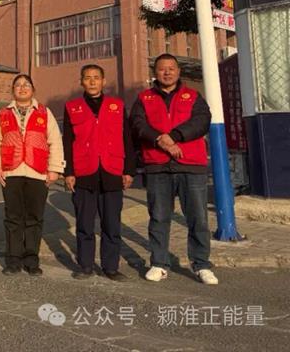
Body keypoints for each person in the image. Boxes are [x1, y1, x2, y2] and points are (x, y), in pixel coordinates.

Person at [131, 53, 218, 285]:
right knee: (159, 217)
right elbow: (138, 125)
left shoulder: (193, 96)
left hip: (191, 165)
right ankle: (159, 263)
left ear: (178, 71)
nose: (167, 72)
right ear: (155, 73)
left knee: (198, 218)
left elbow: (202, 121)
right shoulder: (144, 98)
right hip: (158, 166)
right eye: (162, 69)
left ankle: (201, 264)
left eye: (171, 68)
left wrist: (175, 136)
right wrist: (161, 140)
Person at [63, 65, 136, 281]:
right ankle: (85, 265)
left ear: (103, 81)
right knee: (85, 224)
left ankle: (110, 267)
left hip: (112, 169)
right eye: (88, 78)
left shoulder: (117, 106)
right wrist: (68, 172)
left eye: (96, 77)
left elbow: (127, 138)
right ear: (81, 82)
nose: (92, 81)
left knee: (111, 224)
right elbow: (67, 141)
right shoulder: (72, 107)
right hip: (84, 171)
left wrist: (129, 170)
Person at [0, 74, 64, 277]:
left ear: (33, 89)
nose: (22, 88)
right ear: (13, 90)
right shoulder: (3, 114)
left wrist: (54, 169)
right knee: (13, 218)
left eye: (26, 85)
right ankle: (13, 260)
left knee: (34, 218)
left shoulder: (44, 112)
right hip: (10, 172)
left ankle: (31, 260)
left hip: (37, 172)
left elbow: (55, 141)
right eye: (18, 85)